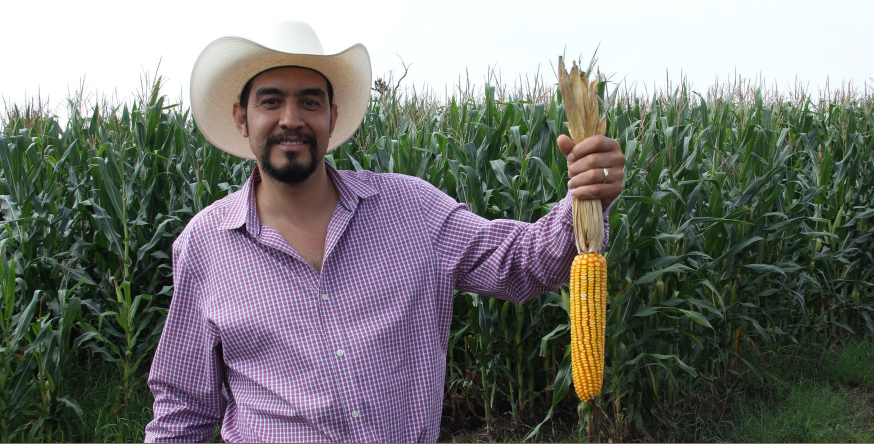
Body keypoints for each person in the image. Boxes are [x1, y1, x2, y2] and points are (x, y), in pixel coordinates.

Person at [144, 21, 626, 443]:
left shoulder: (412, 210)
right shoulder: (205, 246)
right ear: (241, 118)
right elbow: (183, 409)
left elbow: (521, 263)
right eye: (271, 101)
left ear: (332, 117)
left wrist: (586, 195)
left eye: (309, 101)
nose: (291, 119)